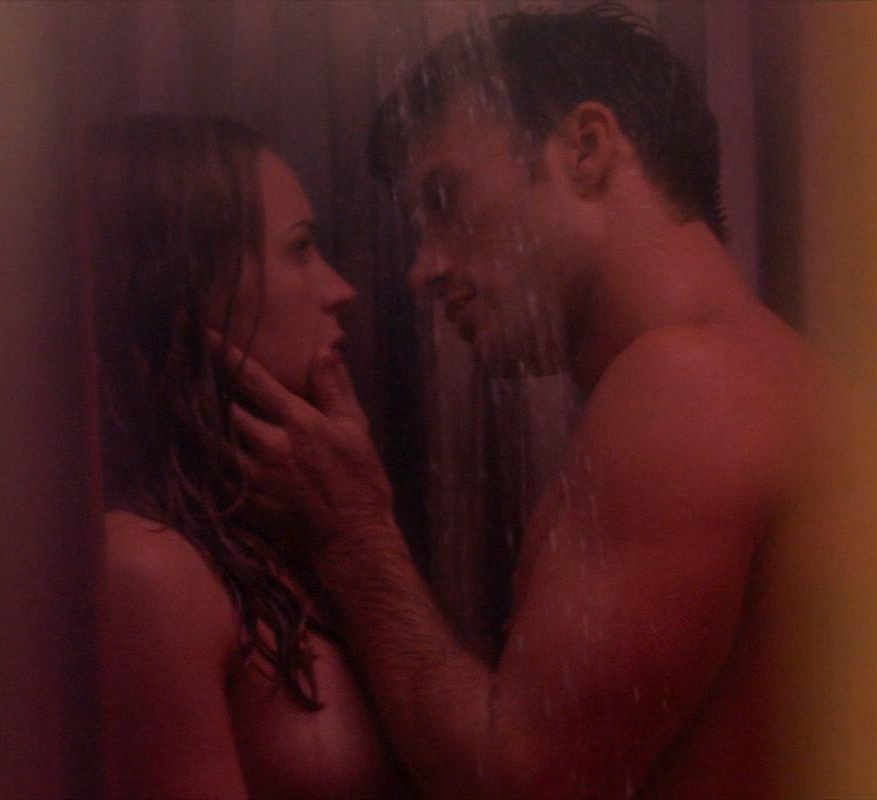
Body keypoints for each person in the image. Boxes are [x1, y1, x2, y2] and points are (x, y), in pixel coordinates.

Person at [222, 8, 834, 798]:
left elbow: (524, 781)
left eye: (446, 197)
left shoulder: (691, 384)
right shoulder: (749, 369)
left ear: (586, 149)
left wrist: (354, 539)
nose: (424, 269)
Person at [84, 115, 408, 799]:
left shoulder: (277, 535)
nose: (340, 288)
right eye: (301, 248)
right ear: (187, 287)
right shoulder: (147, 571)